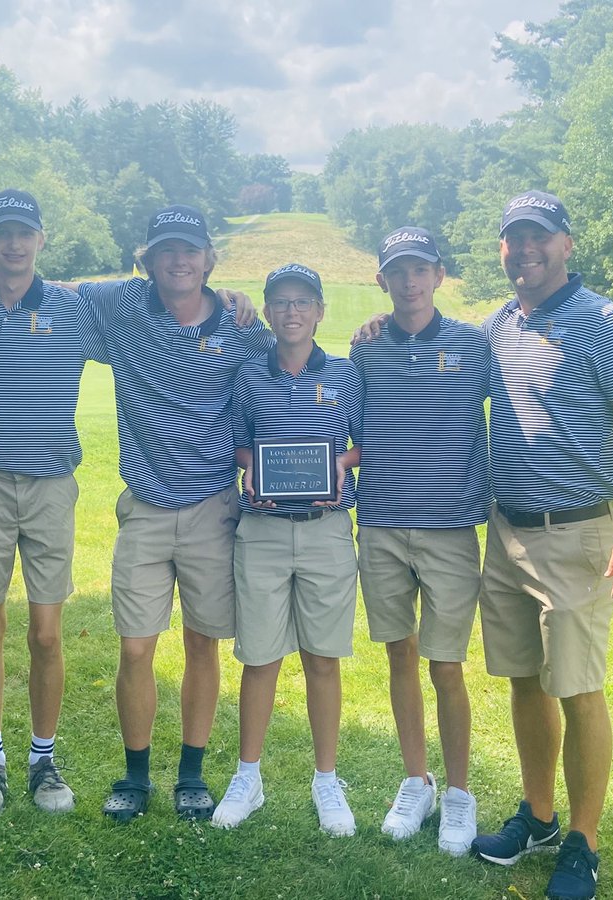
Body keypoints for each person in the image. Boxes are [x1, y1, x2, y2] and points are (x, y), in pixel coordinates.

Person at [470, 191, 613, 900]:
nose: (526, 249)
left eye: (539, 236)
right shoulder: (498, 325)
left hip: (578, 532)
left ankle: (584, 840)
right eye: (514, 238)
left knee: (577, 688)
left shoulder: (606, 321)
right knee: (525, 679)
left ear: (566, 244)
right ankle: (540, 815)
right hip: (507, 533)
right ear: (502, 248)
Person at [73, 205, 275, 823]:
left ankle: (191, 774)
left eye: (190, 250)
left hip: (214, 506)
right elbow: (47, 292)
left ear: (209, 260)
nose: (178, 260)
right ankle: (136, 776)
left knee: (201, 644)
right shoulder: (123, 306)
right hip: (145, 508)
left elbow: (286, 370)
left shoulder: (241, 326)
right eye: (166, 250)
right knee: (136, 648)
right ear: (149, 260)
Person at [0, 190, 106, 819]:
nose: (14, 243)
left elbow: (152, 296)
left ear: (41, 238)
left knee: (46, 631)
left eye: (24, 232)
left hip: (51, 487)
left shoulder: (72, 307)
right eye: (3, 232)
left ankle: (42, 758)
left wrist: (228, 299)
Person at [349, 228, 489, 855]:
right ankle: (417, 781)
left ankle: (459, 792)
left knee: (446, 664)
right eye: (398, 271)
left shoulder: (473, 344)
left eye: (420, 270)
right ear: (382, 280)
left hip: (449, 527)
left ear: (438, 276)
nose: (409, 282)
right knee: (399, 655)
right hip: (381, 523)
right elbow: (350, 428)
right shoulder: (366, 349)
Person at [210, 263, 364, 836]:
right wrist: (256, 466)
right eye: (280, 302)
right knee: (260, 657)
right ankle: (248, 777)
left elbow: (364, 441)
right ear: (269, 312)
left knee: (322, 658)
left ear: (320, 311)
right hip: (263, 531)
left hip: (326, 529)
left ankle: (326, 780)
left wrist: (336, 467)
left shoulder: (346, 373)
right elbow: (236, 440)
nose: (291, 311)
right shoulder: (249, 374)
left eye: (302, 302)